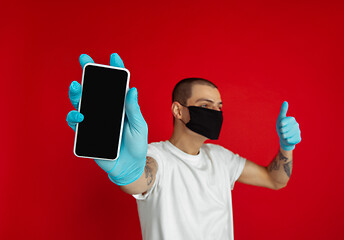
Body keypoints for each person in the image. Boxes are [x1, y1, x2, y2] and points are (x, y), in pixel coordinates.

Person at [66, 53, 301, 240]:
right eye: (206, 105)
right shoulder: (155, 156)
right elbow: (142, 178)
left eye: (219, 107)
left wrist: (286, 146)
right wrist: (128, 174)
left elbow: (275, 180)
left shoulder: (221, 159)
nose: (216, 113)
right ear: (178, 110)